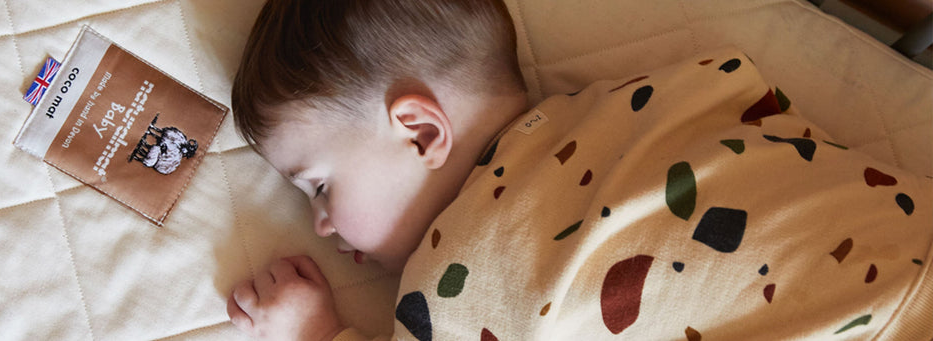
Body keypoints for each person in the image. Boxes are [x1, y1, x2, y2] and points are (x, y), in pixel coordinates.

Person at [226, 1, 933, 340]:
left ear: (419, 132)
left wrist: (312, 332)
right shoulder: (647, 100)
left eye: (319, 185)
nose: (319, 222)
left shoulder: (459, 268)